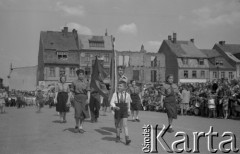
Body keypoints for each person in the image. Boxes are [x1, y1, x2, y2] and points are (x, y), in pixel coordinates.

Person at [110, 80, 132, 145]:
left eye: (120, 86)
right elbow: (111, 102)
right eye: (118, 86)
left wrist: (129, 110)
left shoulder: (127, 95)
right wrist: (114, 106)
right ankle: (118, 136)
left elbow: (128, 103)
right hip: (118, 109)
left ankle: (127, 138)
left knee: (125, 124)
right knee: (118, 125)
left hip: (124, 110)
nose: (119, 87)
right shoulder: (115, 94)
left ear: (124, 87)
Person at [72, 69, 90, 133]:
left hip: (84, 98)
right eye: (80, 74)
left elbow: (88, 91)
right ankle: (77, 125)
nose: (81, 76)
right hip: (77, 98)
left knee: (83, 113)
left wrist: (88, 99)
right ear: (78, 75)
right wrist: (71, 98)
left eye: (82, 74)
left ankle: (81, 126)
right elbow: (72, 91)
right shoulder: (74, 82)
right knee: (77, 112)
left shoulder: (86, 82)